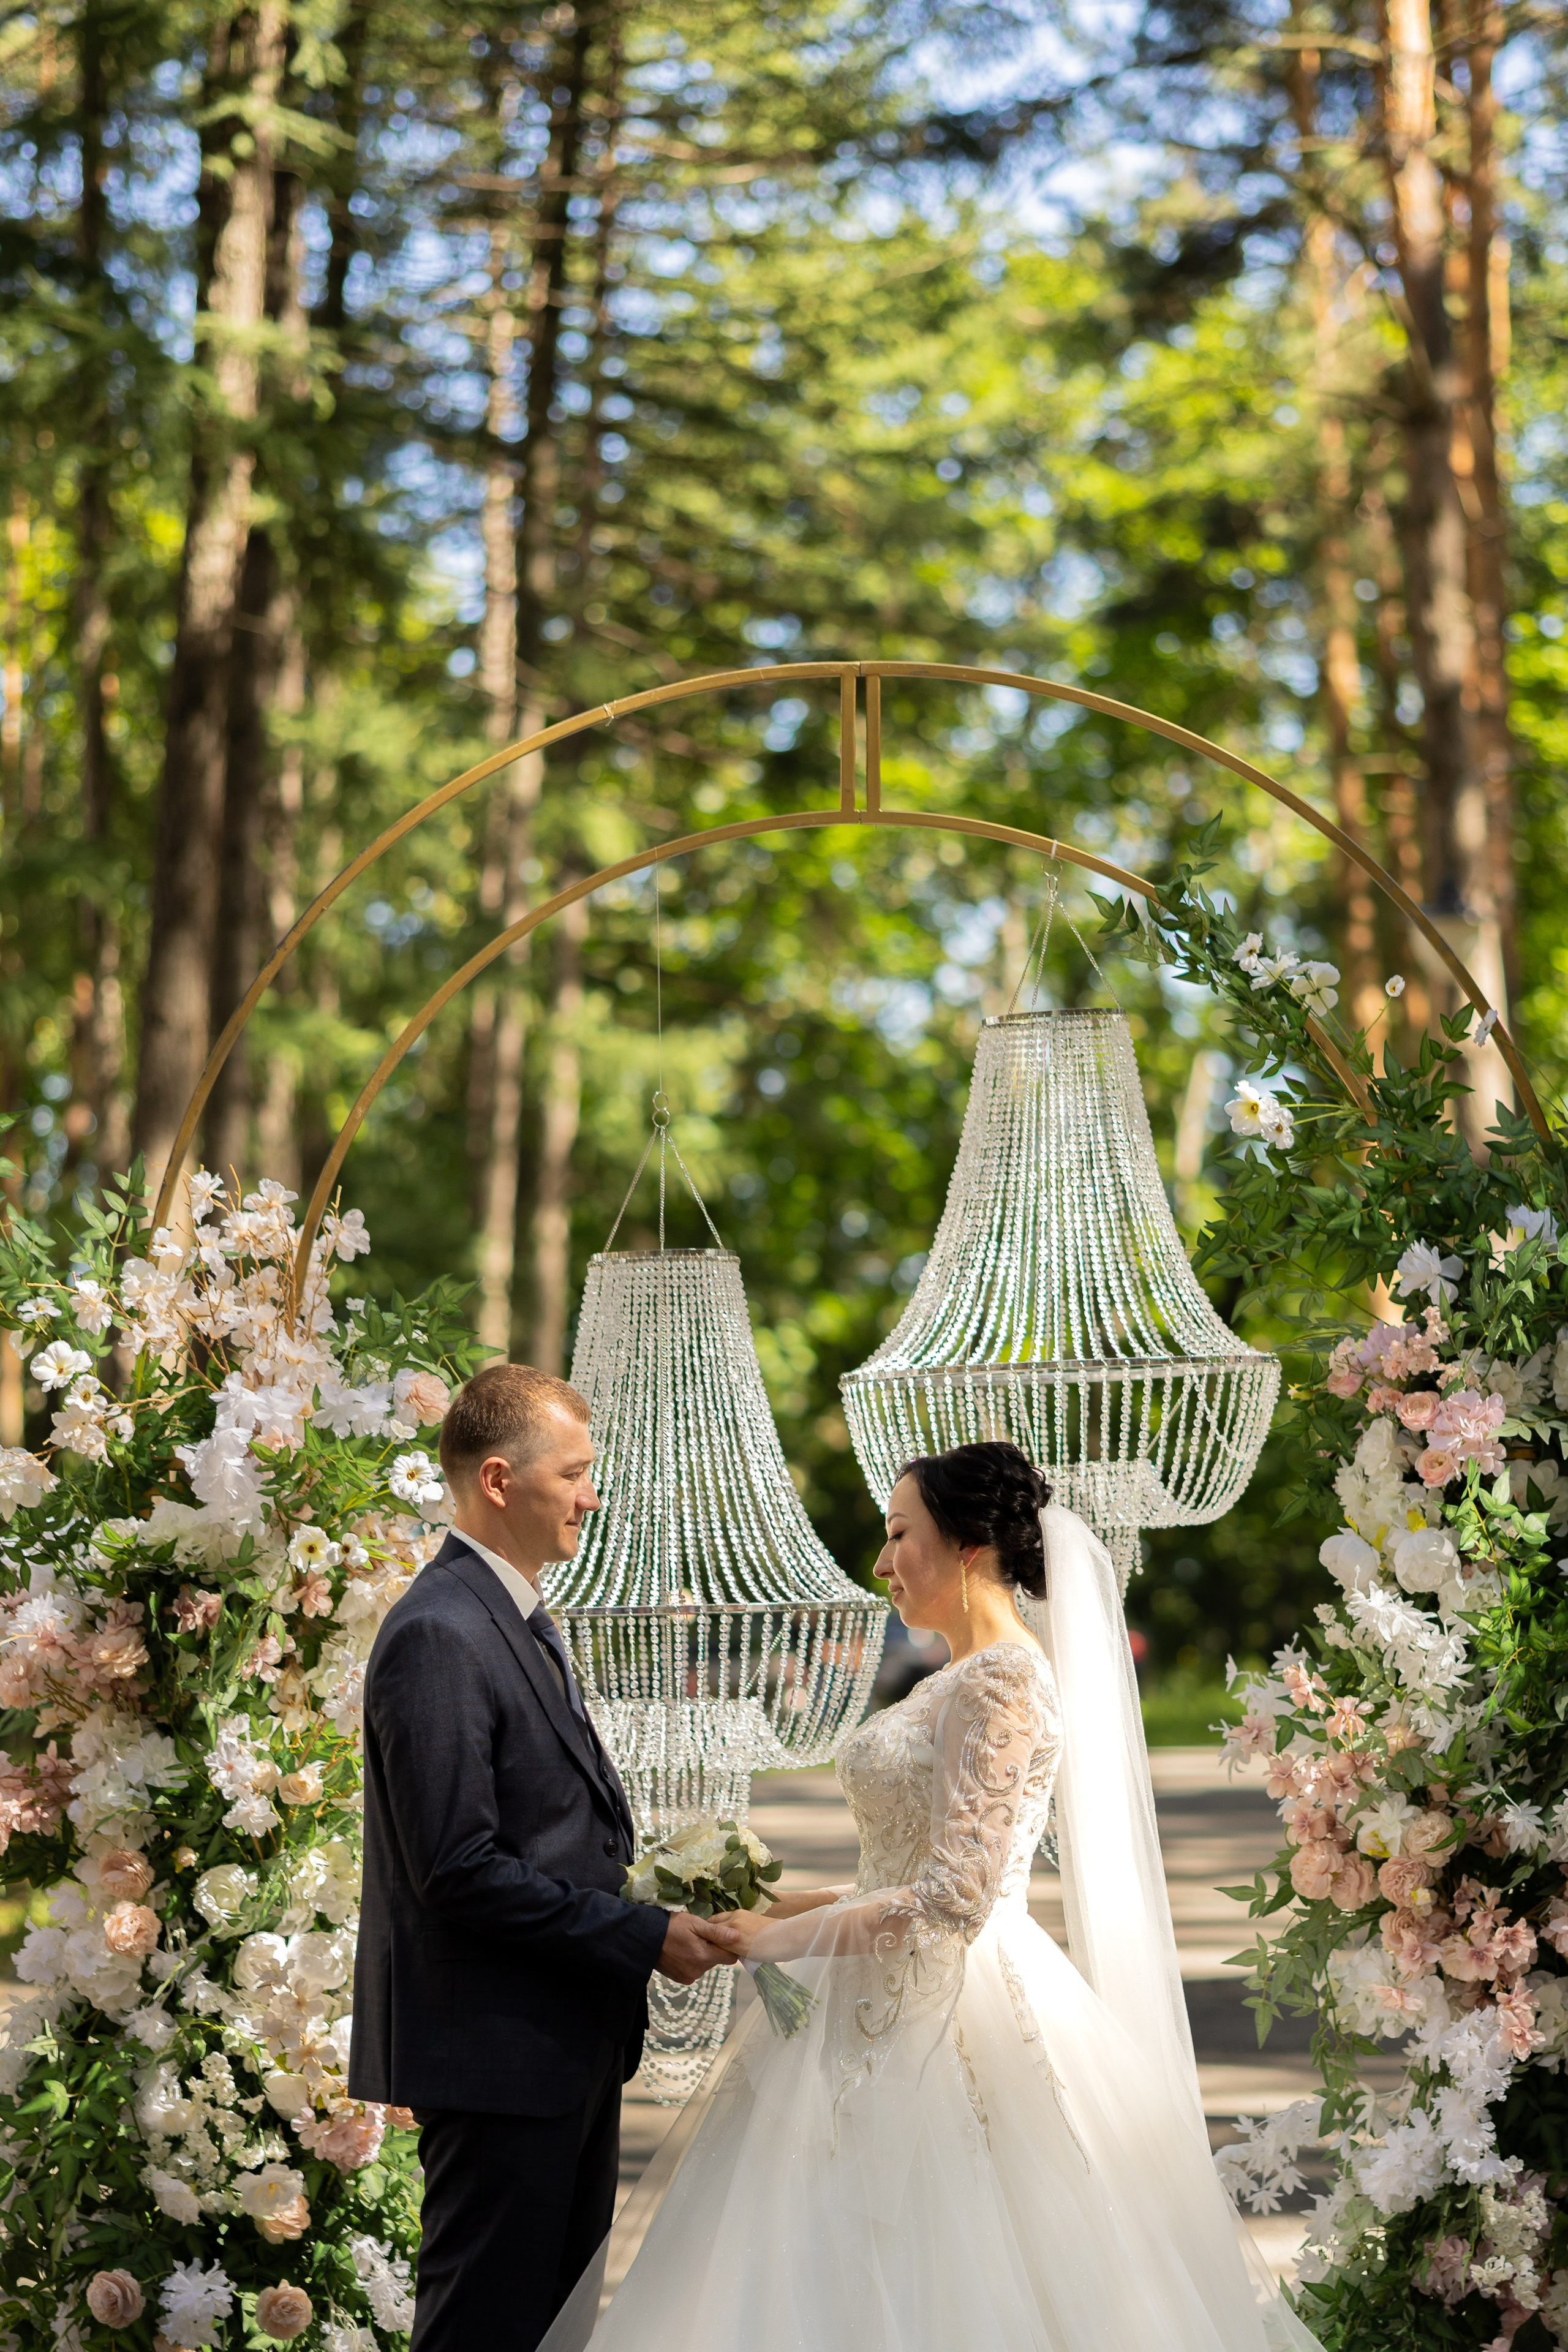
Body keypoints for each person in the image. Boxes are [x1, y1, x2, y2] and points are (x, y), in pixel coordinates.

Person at [546, 1439, 1324, 2352]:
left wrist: (772, 1943)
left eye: (898, 1534)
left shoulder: (1003, 1679)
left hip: (955, 2006)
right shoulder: (958, 1675)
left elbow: (957, 1896)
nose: (880, 1563)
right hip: (875, 1979)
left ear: (967, 1546)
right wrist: (773, 1908)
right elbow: (903, 1875)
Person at [349, 1363, 732, 2352]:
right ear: (498, 1480)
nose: (590, 1497)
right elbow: (458, 1865)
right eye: (573, 1473)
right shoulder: (440, 1632)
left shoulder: (513, 1617)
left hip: (561, 2050)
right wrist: (641, 1934)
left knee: (554, 2335)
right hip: (499, 2062)